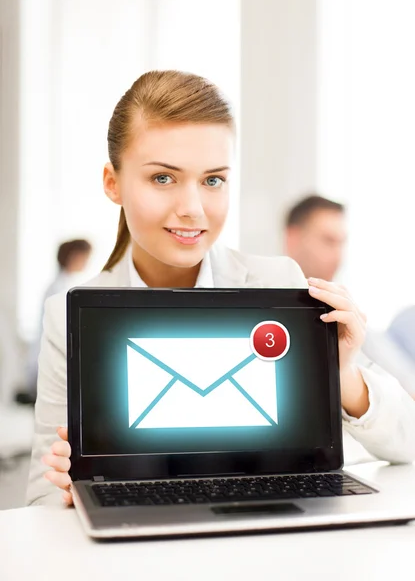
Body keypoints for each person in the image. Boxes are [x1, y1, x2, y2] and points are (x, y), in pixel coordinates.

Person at [27, 71, 415, 507]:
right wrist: (65, 493)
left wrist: (342, 373)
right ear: (112, 182)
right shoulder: (68, 314)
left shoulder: (281, 283)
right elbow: (41, 496)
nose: (192, 209)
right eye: (162, 178)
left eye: (213, 180)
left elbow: (408, 441)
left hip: (275, 532)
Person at [283, 195, 415, 397]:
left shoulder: (348, 317)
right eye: (328, 241)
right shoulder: (266, 304)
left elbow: (406, 385)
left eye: (341, 243)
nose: (338, 256)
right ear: (293, 239)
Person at [22, 239, 92, 403]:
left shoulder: (63, 285)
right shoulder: (59, 289)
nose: (87, 262)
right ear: (74, 256)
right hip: (49, 365)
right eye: (85, 257)